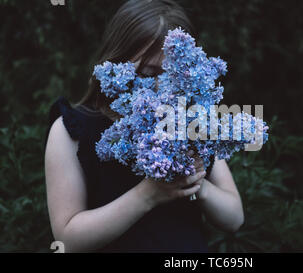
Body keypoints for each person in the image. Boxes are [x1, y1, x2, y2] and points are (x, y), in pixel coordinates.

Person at [44, 0, 244, 253]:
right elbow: (67, 240)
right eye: (149, 74)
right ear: (117, 61)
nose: (163, 87)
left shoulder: (193, 121)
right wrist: (148, 194)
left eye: (174, 76)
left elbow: (234, 218)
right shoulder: (72, 131)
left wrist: (196, 184)